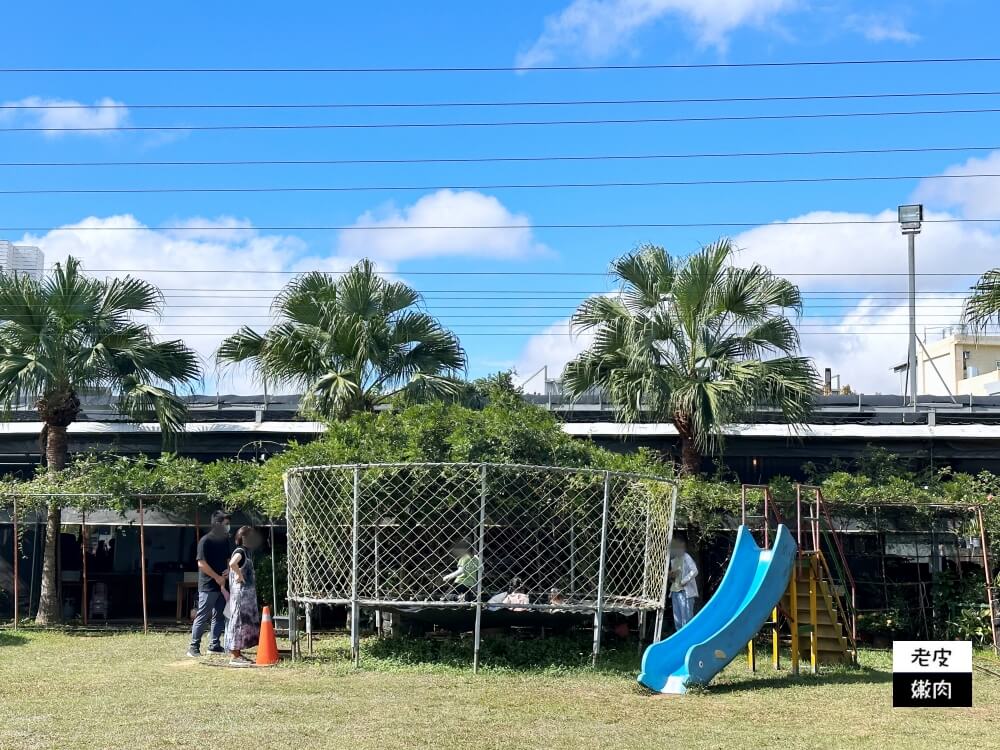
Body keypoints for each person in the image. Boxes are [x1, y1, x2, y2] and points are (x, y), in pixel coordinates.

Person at [187, 511, 232, 658]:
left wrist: (228, 570)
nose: (228, 527)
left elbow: (228, 559)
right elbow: (201, 563)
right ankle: (193, 647)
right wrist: (217, 577)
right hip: (208, 585)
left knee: (219, 615)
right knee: (202, 615)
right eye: (226, 524)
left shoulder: (225, 540)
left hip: (222, 584)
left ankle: (214, 645)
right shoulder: (205, 541)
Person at [224, 526, 262, 667]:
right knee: (238, 623)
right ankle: (234, 655)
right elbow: (232, 563)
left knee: (242, 624)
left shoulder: (246, 552)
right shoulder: (240, 551)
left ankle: (238, 653)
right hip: (240, 596)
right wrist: (239, 575)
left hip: (245, 597)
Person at [669, 538, 699, 631]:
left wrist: (684, 581)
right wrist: (671, 576)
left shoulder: (686, 556)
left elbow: (694, 571)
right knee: (677, 619)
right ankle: (680, 641)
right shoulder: (673, 560)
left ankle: (689, 640)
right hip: (674, 591)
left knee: (687, 619)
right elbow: (673, 579)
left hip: (685, 592)